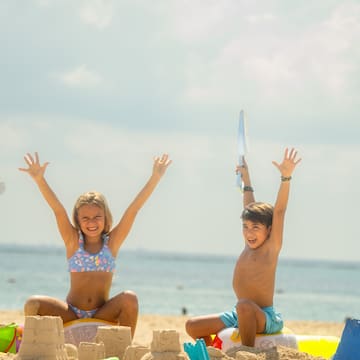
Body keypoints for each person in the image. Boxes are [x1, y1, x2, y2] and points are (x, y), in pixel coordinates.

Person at [19, 151, 171, 337]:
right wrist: (39, 180)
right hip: (71, 314)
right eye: (85, 218)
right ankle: (32, 345)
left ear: (105, 217)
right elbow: (58, 210)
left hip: (102, 315)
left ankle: (123, 351)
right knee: (32, 303)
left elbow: (134, 209)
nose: (91, 222)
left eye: (97, 217)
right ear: (78, 220)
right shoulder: (73, 241)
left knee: (130, 298)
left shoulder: (112, 243)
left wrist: (155, 177)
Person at [185, 148, 301, 347]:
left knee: (244, 305)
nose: (249, 233)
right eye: (245, 227)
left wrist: (286, 178)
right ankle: (214, 353)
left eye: (256, 228)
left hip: (264, 316)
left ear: (270, 230)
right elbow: (248, 205)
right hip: (239, 314)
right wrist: (246, 179)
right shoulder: (249, 245)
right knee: (192, 326)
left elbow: (280, 211)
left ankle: (247, 352)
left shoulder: (271, 247)